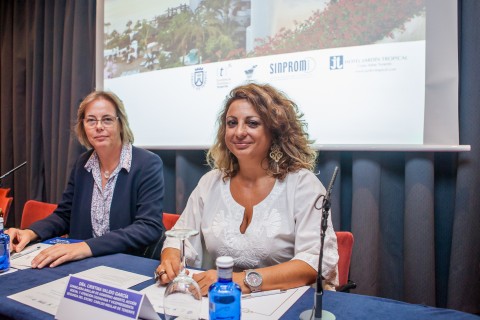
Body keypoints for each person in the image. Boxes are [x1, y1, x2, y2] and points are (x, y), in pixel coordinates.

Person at [156, 83, 338, 296]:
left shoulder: (302, 185)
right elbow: (178, 236)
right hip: (220, 304)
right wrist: (170, 257)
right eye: (231, 123)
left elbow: (313, 262)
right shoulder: (210, 182)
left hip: (284, 305)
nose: (239, 132)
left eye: (252, 123)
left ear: (274, 131)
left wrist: (239, 280)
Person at [6, 91, 165, 268]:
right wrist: (30, 232)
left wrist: (85, 247)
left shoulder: (147, 163)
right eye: (91, 120)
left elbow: (148, 227)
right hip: (84, 266)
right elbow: (64, 216)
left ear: (120, 124)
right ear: (83, 127)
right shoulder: (83, 164)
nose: (98, 127)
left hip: (126, 265)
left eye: (107, 119)